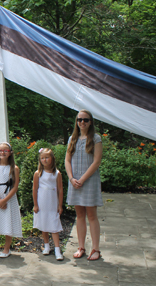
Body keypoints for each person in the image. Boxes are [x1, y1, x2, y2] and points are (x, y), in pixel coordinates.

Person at [65, 109, 103, 261]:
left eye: (85, 120)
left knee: (92, 215)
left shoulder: (96, 138)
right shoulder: (72, 139)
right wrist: (71, 178)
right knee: (79, 215)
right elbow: (67, 160)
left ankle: (96, 249)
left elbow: (97, 161)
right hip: (75, 182)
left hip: (89, 181)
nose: (82, 122)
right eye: (79, 119)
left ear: (90, 122)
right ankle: (81, 247)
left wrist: (83, 179)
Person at [33, 148, 64, 261]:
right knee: (44, 224)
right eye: (42, 158)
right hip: (42, 202)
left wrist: (60, 205)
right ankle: (46, 245)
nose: (45, 160)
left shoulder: (57, 173)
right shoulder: (38, 173)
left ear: (52, 159)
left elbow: (60, 190)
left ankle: (57, 249)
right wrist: (35, 204)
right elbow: (35, 189)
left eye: (47, 157)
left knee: (54, 226)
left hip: (52, 203)